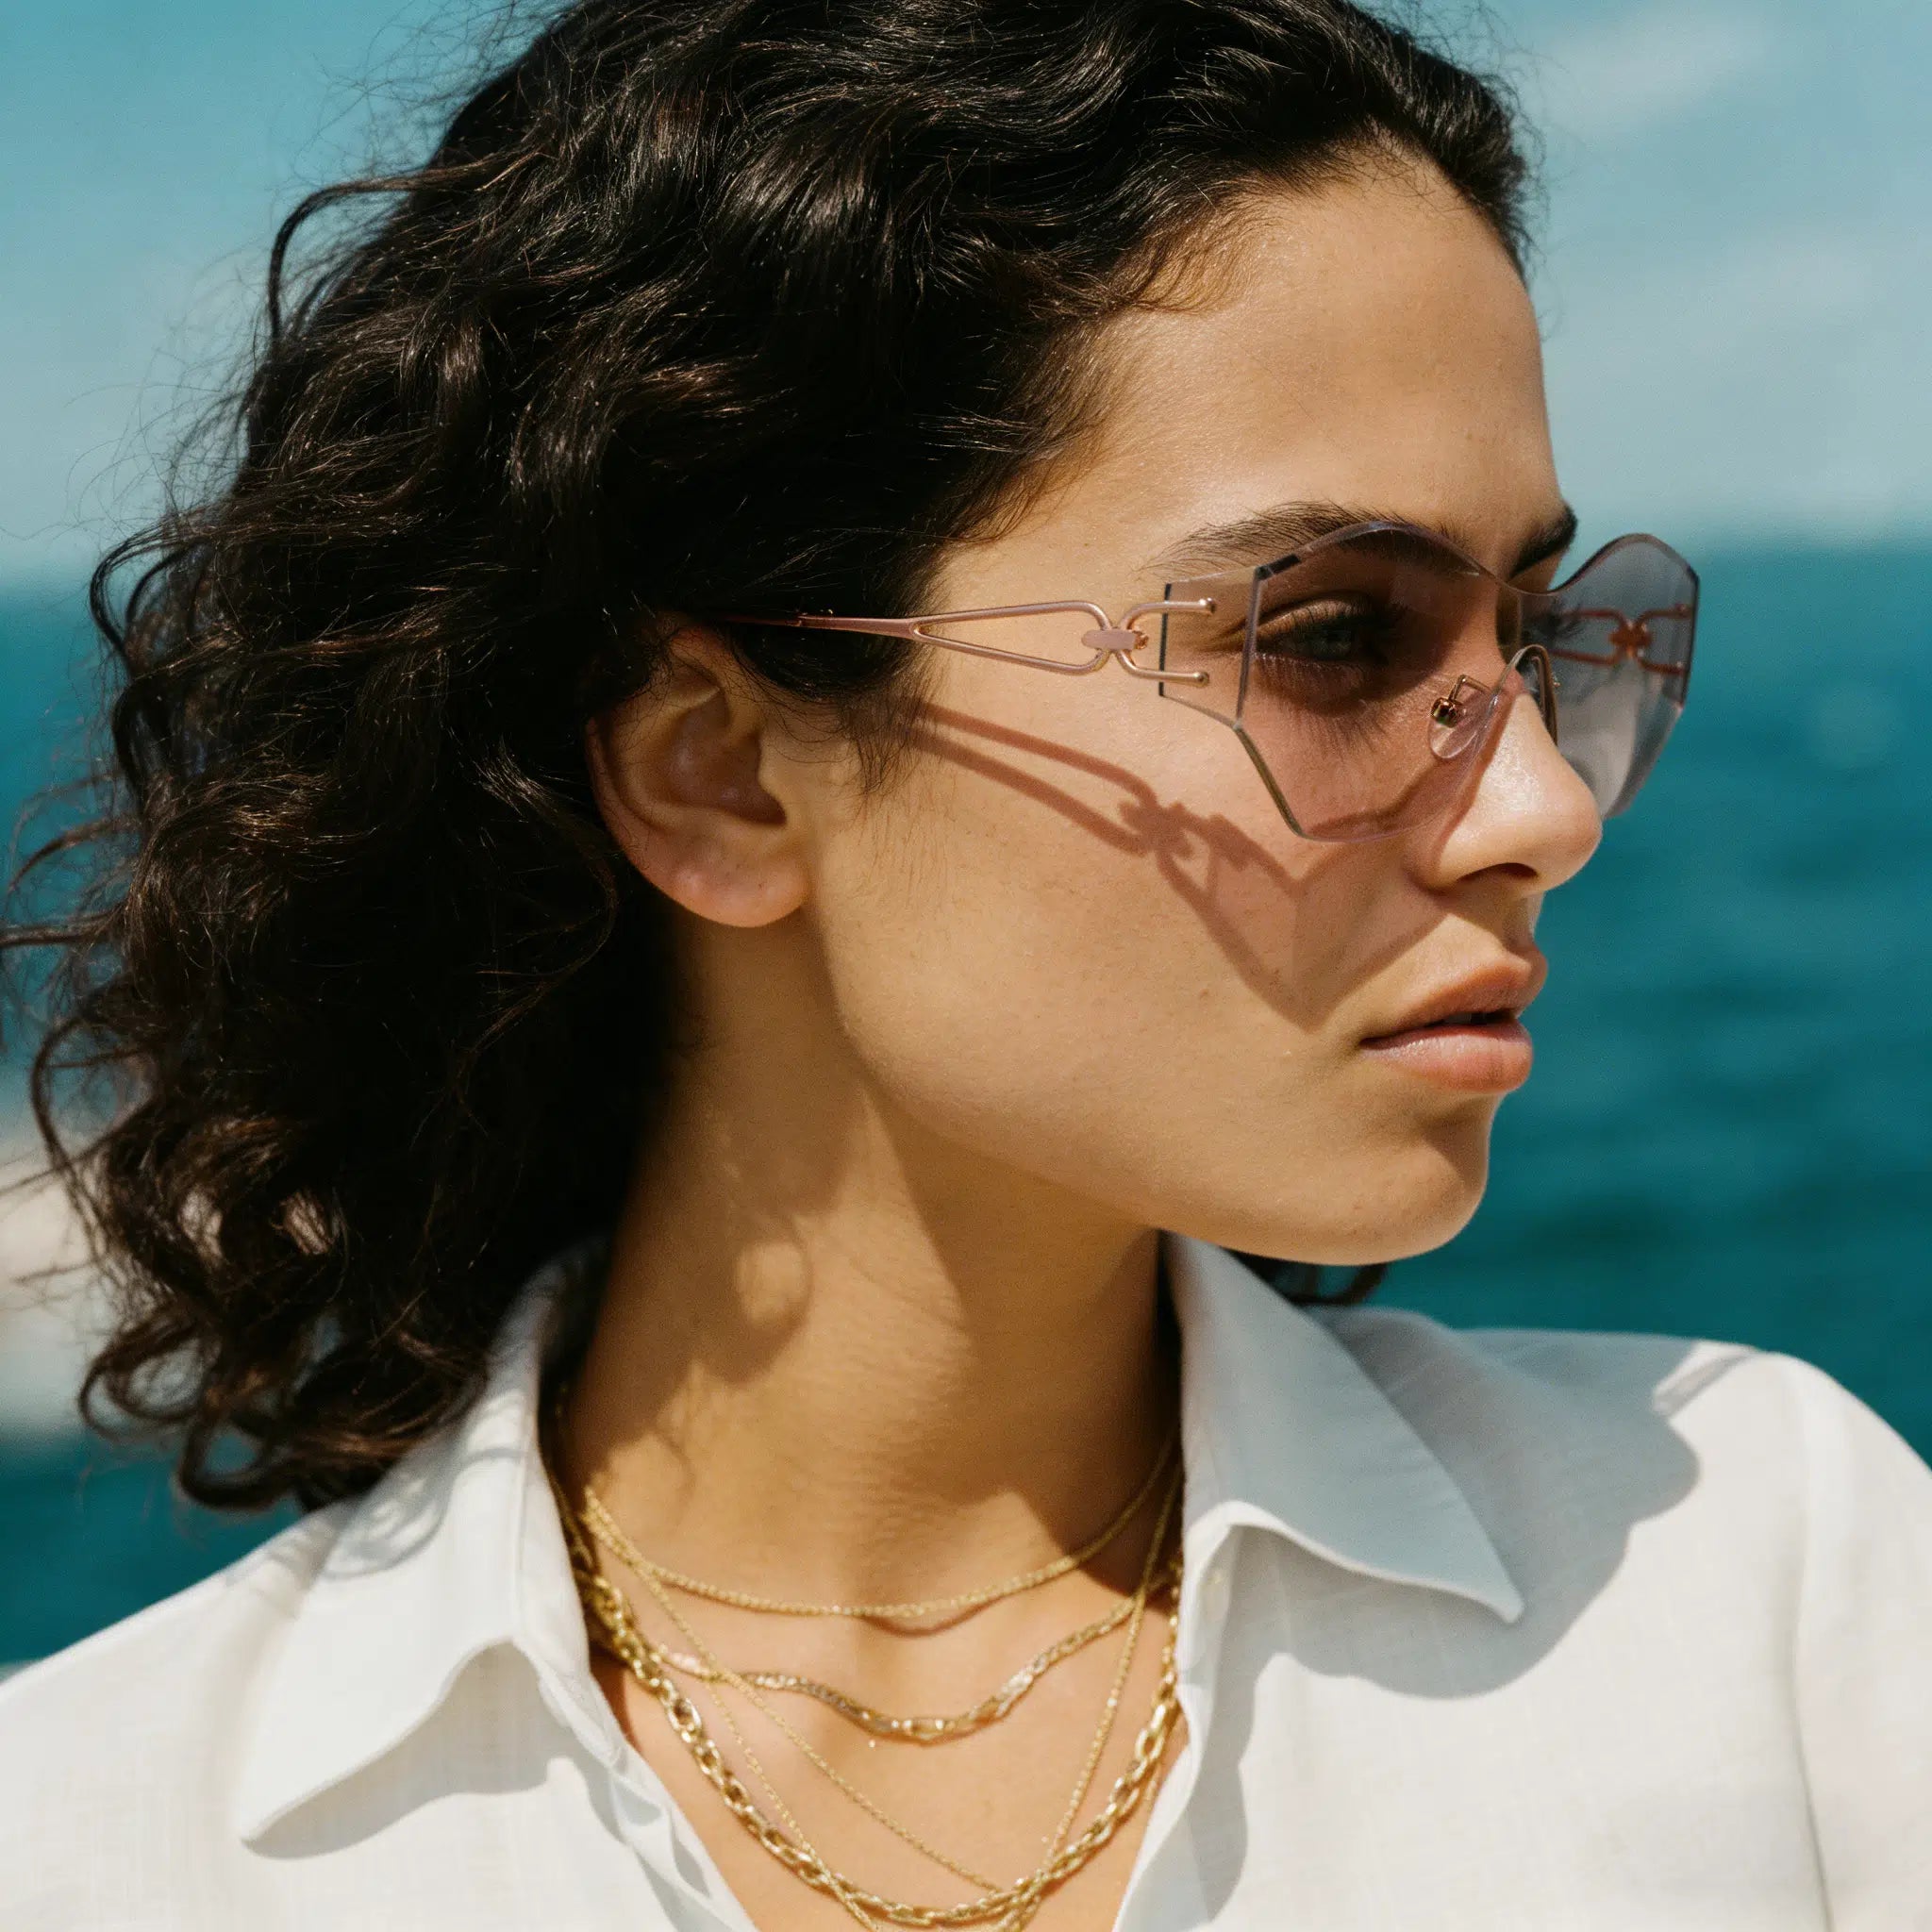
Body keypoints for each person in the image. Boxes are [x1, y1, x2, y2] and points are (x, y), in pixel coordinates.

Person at [2, 1, 1928, 1926]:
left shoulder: (1767, 1594)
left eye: (1536, 634)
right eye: (1336, 637)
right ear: (718, 771)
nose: (1542, 805)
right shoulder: (99, 1848)